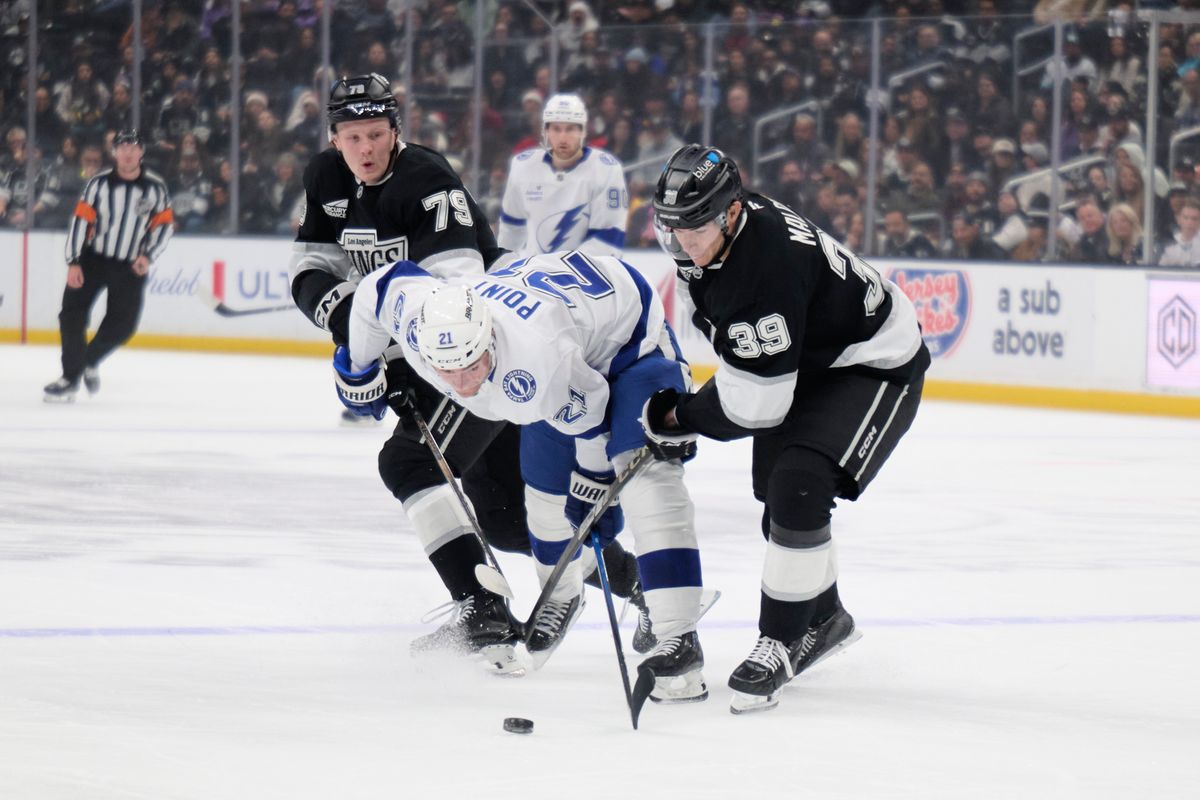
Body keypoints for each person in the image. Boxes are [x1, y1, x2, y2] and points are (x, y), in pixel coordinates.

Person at [288, 74, 642, 671]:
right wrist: (361, 331)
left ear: (395, 131)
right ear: (334, 138)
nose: (366, 149)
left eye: (376, 134)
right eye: (353, 137)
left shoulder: (426, 180)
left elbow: (455, 302)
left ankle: (481, 609)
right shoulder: (324, 178)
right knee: (508, 523)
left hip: (490, 351)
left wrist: (391, 351)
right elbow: (310, 267)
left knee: (408, 461)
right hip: (429, 346)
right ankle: (645, 585)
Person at [339, 251, 710, 700]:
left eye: (473, 366)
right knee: (545, 510)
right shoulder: (421, 315)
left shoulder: (535, 362)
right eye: (446, 370)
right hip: (569, 337)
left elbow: (592, 411)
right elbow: (379, 286)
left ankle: (679, 637)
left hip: (631, 343)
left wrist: (596, 492)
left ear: (489, 337)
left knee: (647, 480)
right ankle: (562, 595)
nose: (461, 385)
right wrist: (359, 368)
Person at [645, 144, 930, 714]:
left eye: (693, 228)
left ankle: (782, 639)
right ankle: (823, 618)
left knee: (799, 483)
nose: (680, 243)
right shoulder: (721, 239)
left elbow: (755, 409)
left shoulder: (762, 269)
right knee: (779, 503)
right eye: (669, 229)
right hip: (809, 361)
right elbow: (749, 364)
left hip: (875, 364)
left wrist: (681, 416)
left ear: (729, 213)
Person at [44, 130, 174, 402]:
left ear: (141, 152)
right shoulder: (98, 184)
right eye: (122, 147)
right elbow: (80, 222)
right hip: (93, 259)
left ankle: (88, 361)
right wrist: (74, 261)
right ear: (114, 152)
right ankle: (69, 379)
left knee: (123, 326)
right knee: (71, 316)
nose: (127, 152)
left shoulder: (155, 187)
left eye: (133, 147)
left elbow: (164, 226)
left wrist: (147, 256)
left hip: (130, 265)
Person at [496, 93, 628, 258]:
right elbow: (511, 227)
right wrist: (502, 266)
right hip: (535, 275)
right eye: (556, 129)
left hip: (589, 275)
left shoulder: (606, 168)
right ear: (546, 131)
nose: (563, 137)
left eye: (570, 129)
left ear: (583, 131)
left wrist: (561, 270)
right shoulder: (523, 165)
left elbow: (608, 240)